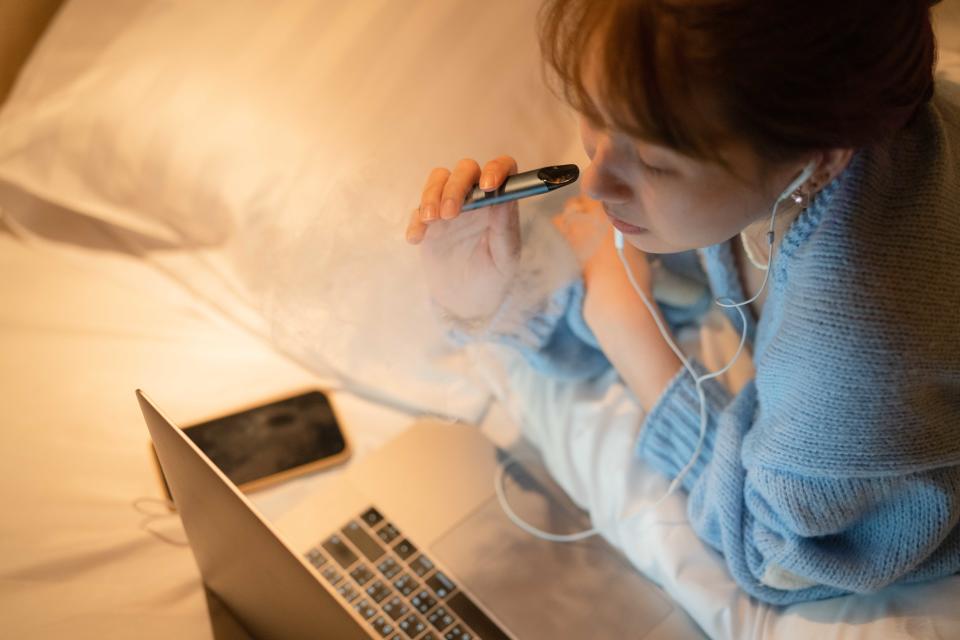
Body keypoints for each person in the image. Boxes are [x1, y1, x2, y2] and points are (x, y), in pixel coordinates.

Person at [405, 0, 960, 605]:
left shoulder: (858, 351)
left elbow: (778, 558)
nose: (596, 179)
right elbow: (619, 279)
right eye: (593, 114)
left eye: (652, 162)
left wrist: (631, 334)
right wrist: (482, 297)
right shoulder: (780, 151)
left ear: (818, 160)